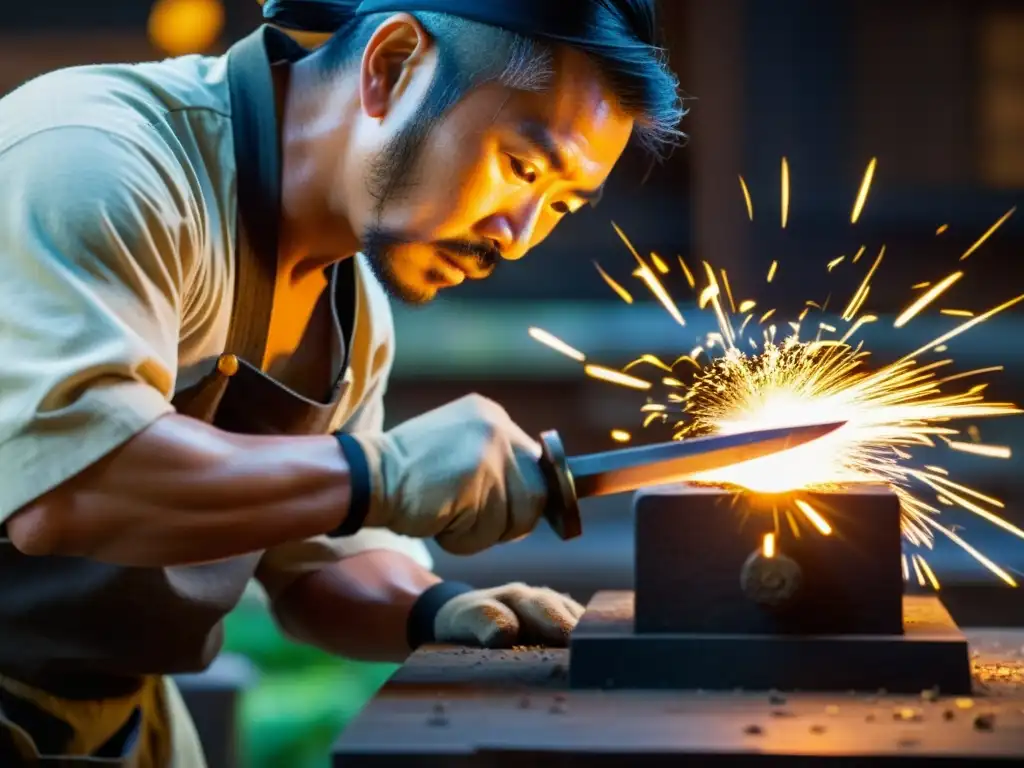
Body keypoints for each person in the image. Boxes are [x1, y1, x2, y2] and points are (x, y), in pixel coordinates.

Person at [0, 0, 684, 763]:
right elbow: (70, 486)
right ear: (390, 66)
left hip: (125, 727)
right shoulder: (98, 159)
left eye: (559, 204)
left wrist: (440, 609)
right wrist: (380, 473)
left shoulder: (354, 313)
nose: (518, 235)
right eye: (522, 167)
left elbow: (316, 562)